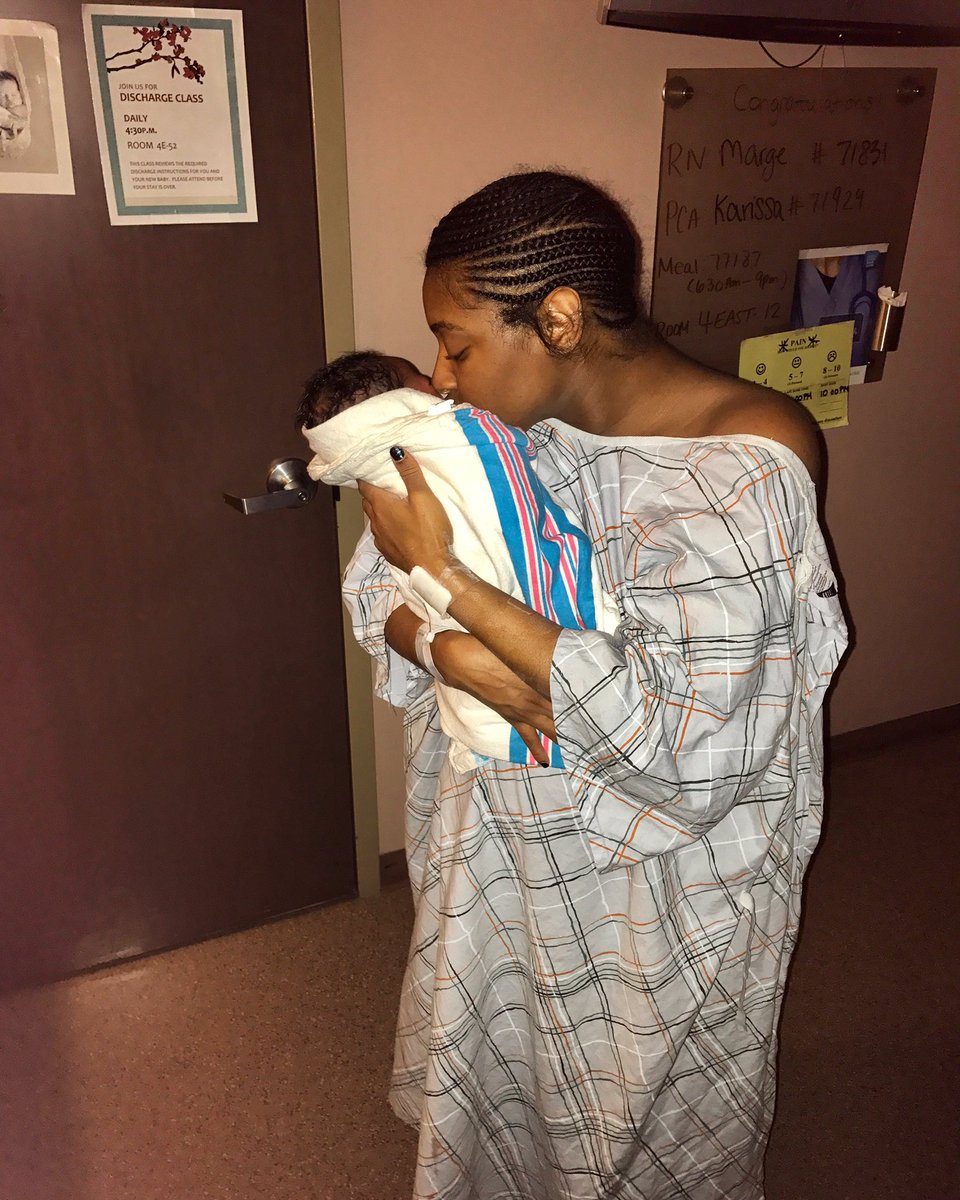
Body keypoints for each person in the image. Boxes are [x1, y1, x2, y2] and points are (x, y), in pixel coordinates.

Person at [349, 170, 848, 1200]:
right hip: (496, 842)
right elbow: (373, 587)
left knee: (645, 1115)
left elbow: (682, 746)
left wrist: (448, 581)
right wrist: (452, 655)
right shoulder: (484, 431)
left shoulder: (742, 467)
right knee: (502, 1070)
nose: (439, 376)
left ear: (560, 319)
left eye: (457, 343)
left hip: (656, 882)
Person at [297, 349, 620, 770]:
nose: (440, 376)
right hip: (467, 750)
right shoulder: (404, 472)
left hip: (586, 734)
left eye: (458, 349)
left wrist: (437, 571)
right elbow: (370, 596)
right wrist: (442, 651)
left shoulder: (609, 461)